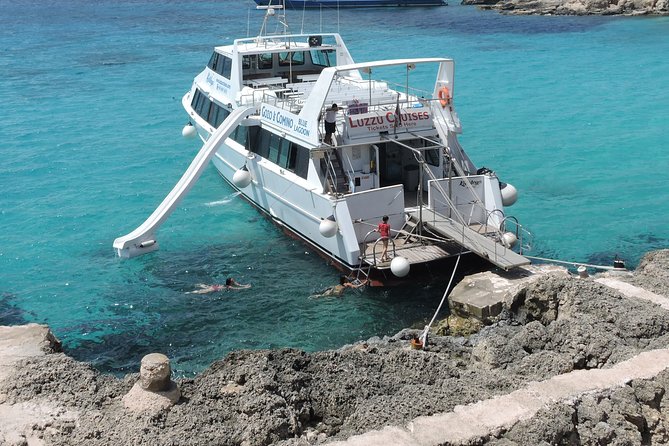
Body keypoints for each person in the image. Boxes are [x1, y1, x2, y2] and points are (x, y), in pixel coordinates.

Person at [186, 277, 251, 294]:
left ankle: (196, 285)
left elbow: (238, 284)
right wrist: (246, 287)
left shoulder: (227, 284)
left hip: (214, 286)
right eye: (233, 280)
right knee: (200, 292)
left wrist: (244, 285)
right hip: (214, 288)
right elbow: (237, 288)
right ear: (231, 282)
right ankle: (189, 292)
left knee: (202, 286)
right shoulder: (229, 286)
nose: (234, 281)